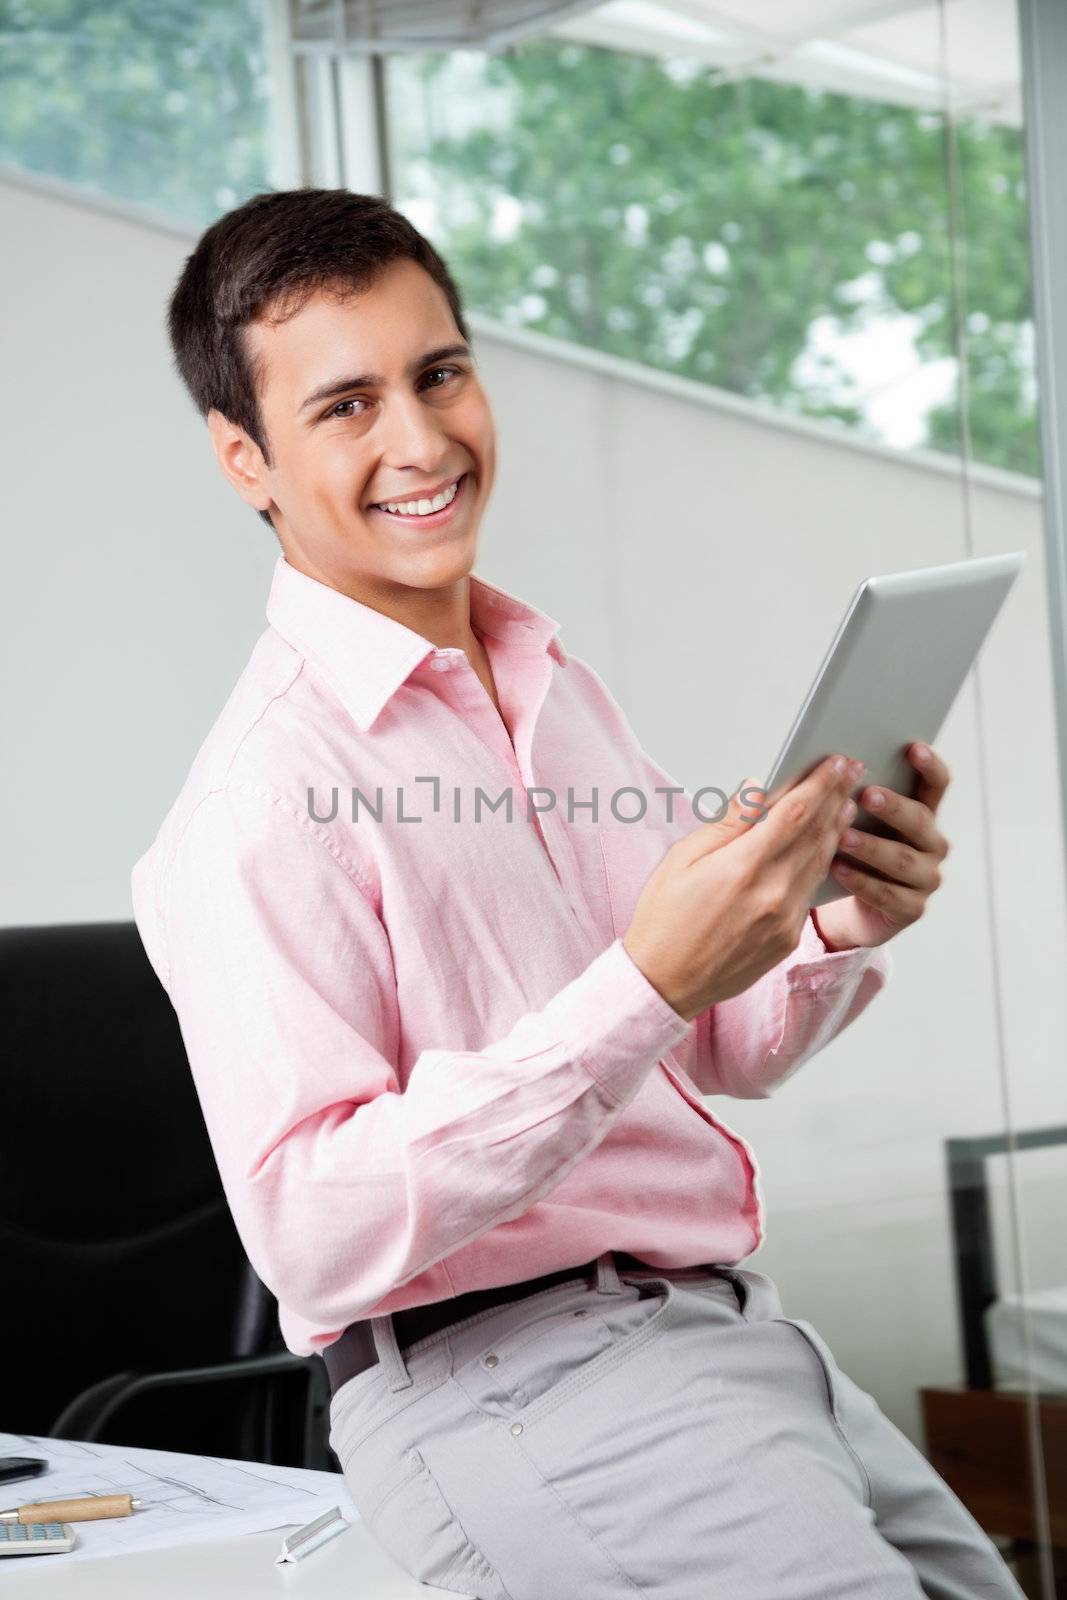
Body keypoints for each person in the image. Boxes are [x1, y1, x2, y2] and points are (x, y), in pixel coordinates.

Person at [130, 188, 1021, 1599]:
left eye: (439, 375)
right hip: (515, 1385)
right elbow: (315, 1229)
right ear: (246, 458)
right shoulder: (260, 796)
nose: (421, 442)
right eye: (346, 406)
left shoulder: (544, 680)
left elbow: (721, 1045)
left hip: (725, 1336)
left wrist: (837, 922)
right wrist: (648, 980)